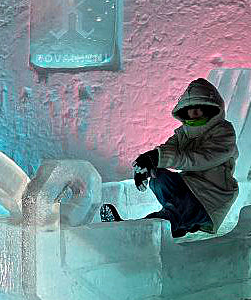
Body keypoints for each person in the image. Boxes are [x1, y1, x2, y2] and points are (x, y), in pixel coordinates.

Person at [100, 78, 239, 238]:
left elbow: (200, 158)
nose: (193, 115)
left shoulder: (224, 132)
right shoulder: (183, 133)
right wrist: (147, 165)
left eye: (198, 110)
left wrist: (158, 157)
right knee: (158, 177)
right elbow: (168, 149)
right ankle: (179, 224)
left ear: (210, 109)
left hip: (211, 195)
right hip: (190, 186)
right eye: (190, 111)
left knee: (179, 209)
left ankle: (139, 232)